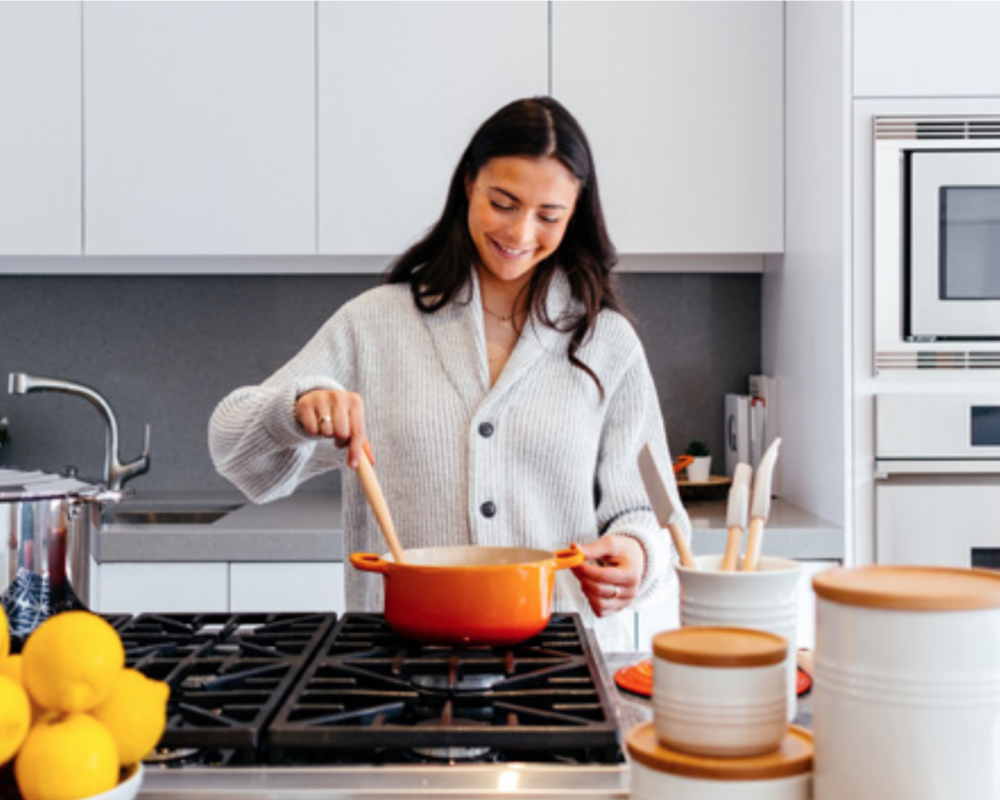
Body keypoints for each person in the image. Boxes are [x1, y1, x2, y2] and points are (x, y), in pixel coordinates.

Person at [208, 96, 690, 651]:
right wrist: (295, 409)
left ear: (575, 213)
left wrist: (635, 553)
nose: (521, 232)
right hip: (395, 667)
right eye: (503, 202)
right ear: (468, 184)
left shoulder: (606, 342)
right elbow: (233, 450)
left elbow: (650, 512)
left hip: (557, 670)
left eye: (548, 216)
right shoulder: (376, 324)